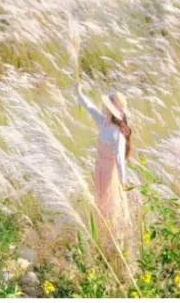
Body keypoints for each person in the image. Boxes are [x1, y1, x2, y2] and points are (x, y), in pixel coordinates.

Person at [76, 83, 132, 242]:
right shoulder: (104, 123)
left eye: (106, 106)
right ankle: (102, 237)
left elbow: (120, 160)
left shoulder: (117, 133)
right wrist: (79, 94)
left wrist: (123, 181)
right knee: (100, 201)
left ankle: (113, 238)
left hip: (110, 173)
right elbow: (90, 108)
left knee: (110, 203)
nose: (103, 107)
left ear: (112, 110)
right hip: (100, 169)